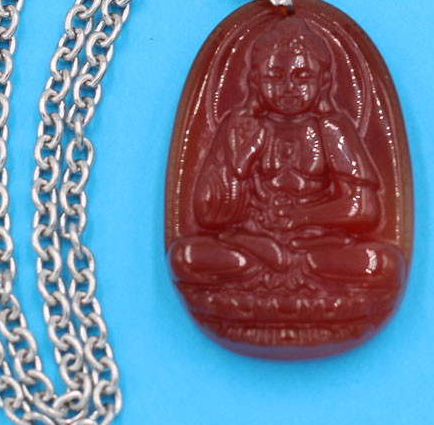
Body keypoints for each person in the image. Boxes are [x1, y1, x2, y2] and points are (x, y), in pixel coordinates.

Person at [168, 15, 404, 293]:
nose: (288, 88)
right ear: (254, 81)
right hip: (250, 242)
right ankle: (279, 267)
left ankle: (280, 270)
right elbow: (207, 216)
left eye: (302, 77)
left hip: (318, 245)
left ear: (324, 82)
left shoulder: (333, 127)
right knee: (185, 256)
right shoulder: (240, 127)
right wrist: (240, 163)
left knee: (382, 263)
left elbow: (364, 209)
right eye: (275, 77)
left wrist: (300, 217)